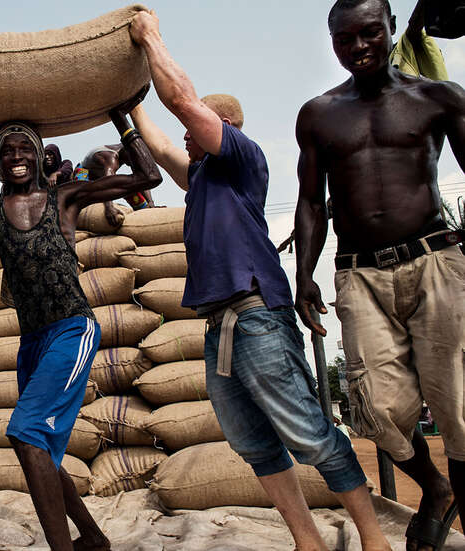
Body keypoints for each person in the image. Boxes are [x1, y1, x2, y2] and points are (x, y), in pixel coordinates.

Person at [127, 8, 391, 551]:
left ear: (221, 126)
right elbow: (158, 145)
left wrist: (150, 37)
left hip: (257, 318)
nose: (184, 131)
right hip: (217, 325)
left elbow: (182, 103)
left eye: (195, 125)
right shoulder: (200, 176)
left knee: (309, 435)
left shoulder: (243, 159)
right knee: (253, 444)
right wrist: (124, 103)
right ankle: (307, 541)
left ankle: (373, 538)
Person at [0, 87, 160, 550]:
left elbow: (149, 175)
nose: (16, 157)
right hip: (31, 343)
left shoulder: (65, 198)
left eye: (25, 149)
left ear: (39, 157)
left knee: (24, 432)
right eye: (7, 151)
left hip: (72, 330)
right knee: (40, 448)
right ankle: (94, 537)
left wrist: (122, 118)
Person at [294, 1, 465, 549]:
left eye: (370, 33)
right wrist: (304, 276)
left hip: (436, 261)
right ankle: (434, 488)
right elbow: (310, 204)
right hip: (359, 275)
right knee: (379, 412)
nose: (359, 46)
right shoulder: (319, 114)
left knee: (460, 412)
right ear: (333, 41)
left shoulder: (437, 98)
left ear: (391, 30)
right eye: (345, 39)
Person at [74, 144, 154, 227]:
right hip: (85, 174)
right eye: (133, 159)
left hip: (102, 178)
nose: (131, 163)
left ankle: (144, 211)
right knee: (83, 196)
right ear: (126, 150)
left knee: (130, 188)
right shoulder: (110, 157)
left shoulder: (130, 154)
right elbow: (108, 183)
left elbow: (142, 180)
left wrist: (151, 202)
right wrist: (109, 207)